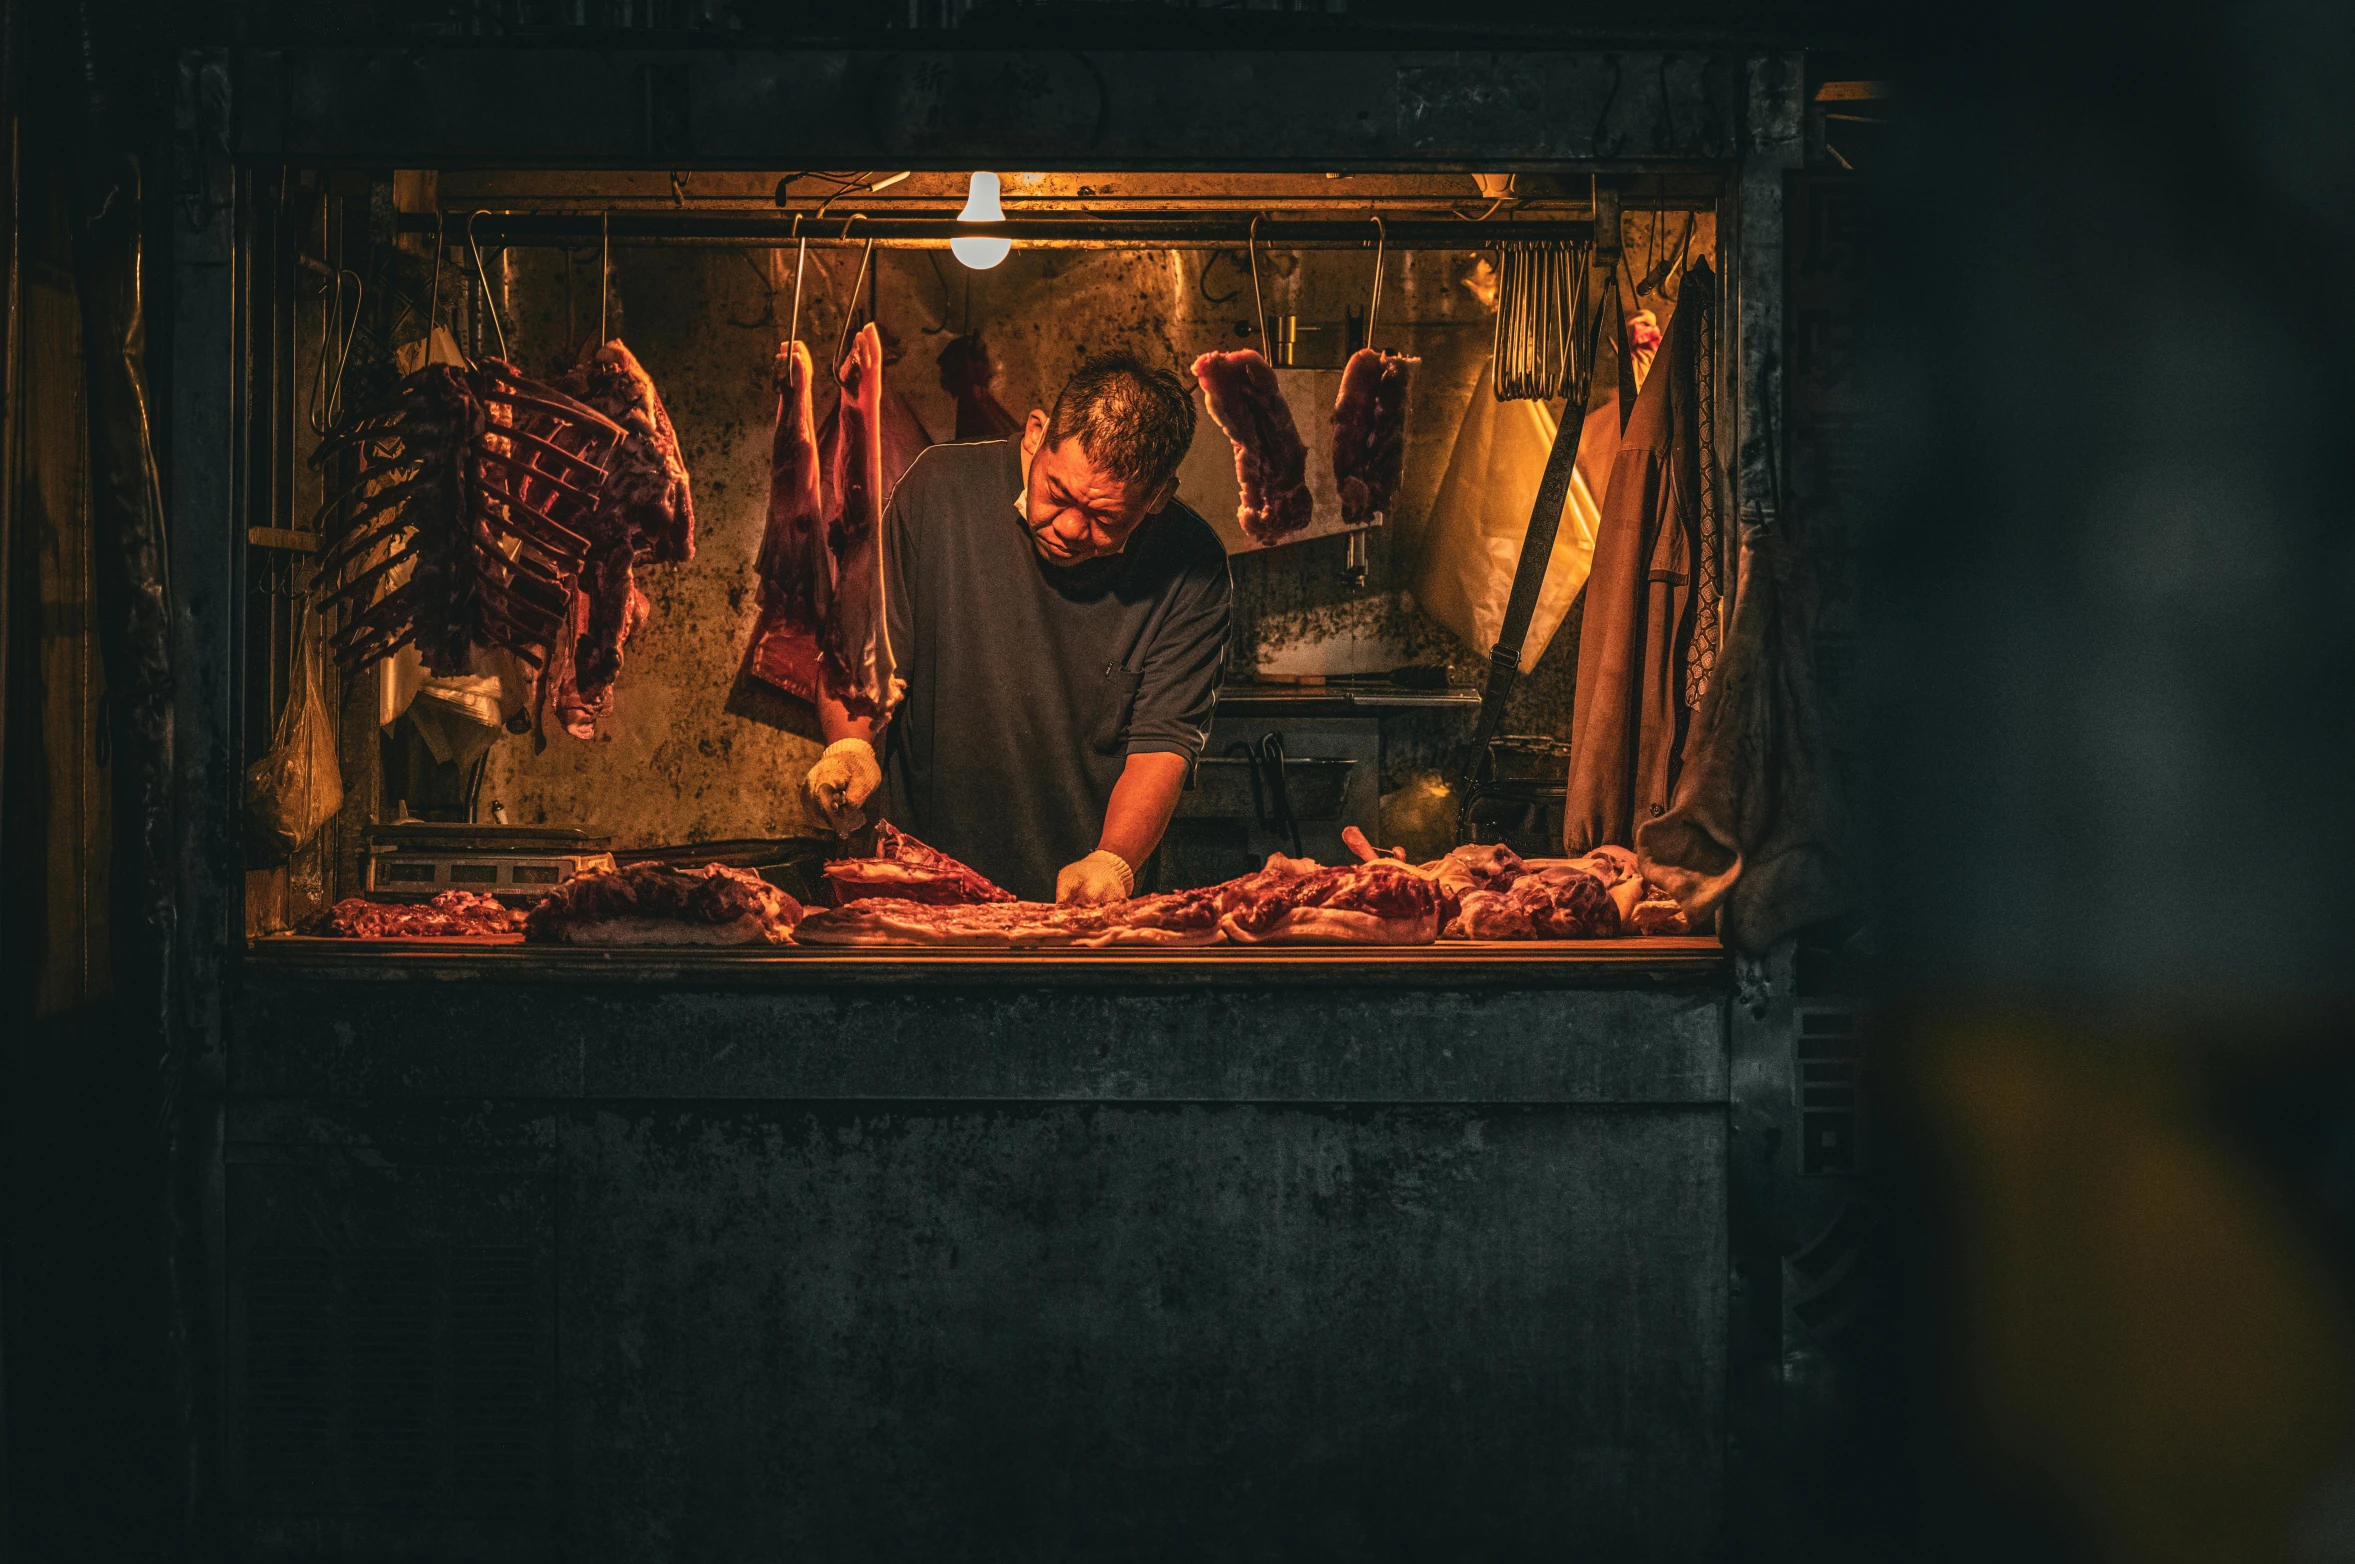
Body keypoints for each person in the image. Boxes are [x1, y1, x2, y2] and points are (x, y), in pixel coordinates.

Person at [804, 354, 1232, 905]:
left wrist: (1115, 860)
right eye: (1059, 494)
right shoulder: (939, 490)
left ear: (1157, 498)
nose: (1072, 529)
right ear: (1036, 436)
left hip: (1079, 905)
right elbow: (860, 654)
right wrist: (848, 747)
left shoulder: (1191, 566)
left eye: (1107, 519)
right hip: (917, 887)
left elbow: (1163, 744)